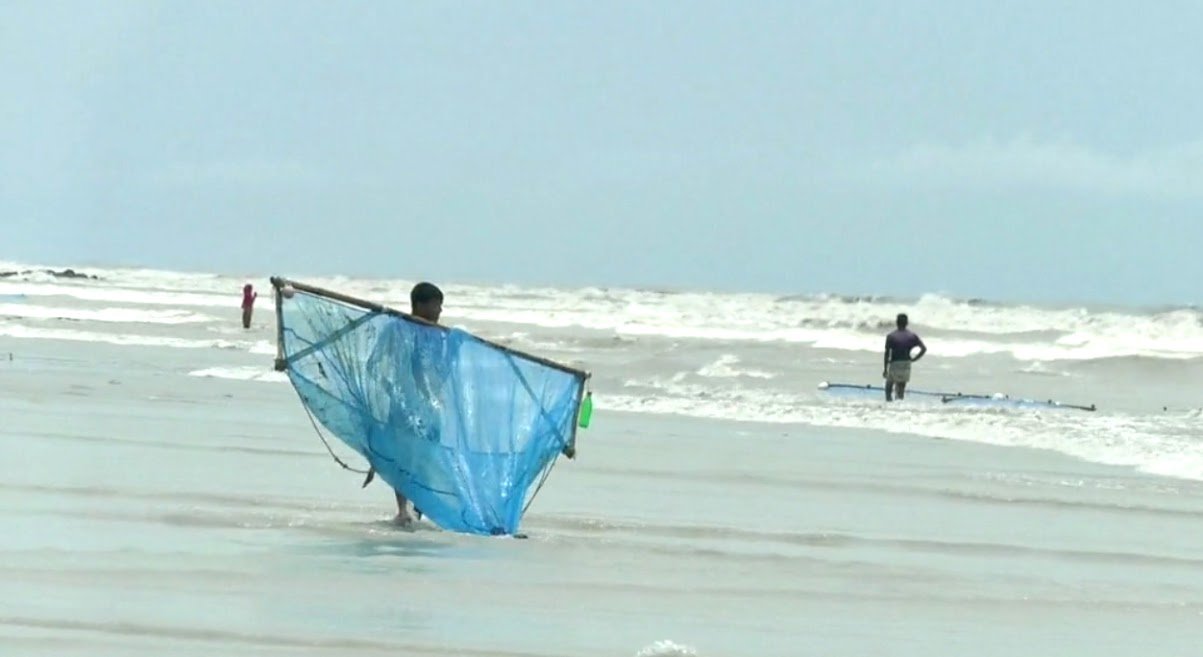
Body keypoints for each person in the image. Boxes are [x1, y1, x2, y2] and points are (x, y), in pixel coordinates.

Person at [392, 281, 444, 525]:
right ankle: (402, 509)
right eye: (436, 305)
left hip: (428, 407)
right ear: (420, 305)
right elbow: (384, 366)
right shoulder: (399, 329)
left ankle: (419, 506)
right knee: (403, 457)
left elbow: (436, 372)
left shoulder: (436, 334)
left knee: (425, 456)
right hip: (402, 404)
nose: (439, 311)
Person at [883, 313, 926, 401]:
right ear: (907, 323)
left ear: (896, 322)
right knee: (900, 390)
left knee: (888, 388)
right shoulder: (912, 336)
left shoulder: (891, 336)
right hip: (906, 363)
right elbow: (923, 349)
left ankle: (889, 405)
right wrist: (914, 359)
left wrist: (885, 369)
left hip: (895, 363)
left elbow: (887, 354)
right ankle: (899, 408)